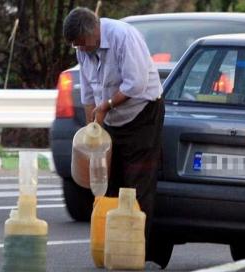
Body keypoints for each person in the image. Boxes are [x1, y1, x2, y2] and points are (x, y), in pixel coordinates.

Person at [63, 7, 165, 261]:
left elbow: (135, 84)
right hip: (112, 118)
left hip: (142, 113)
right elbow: (88, 91)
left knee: (137, 185)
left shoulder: (122, 37)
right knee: (111, 183)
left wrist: (106, 105)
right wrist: (92, 124)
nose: (81, 49)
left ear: (94, 31)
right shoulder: (83, 48)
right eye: (76, 46)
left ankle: (139, 253)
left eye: (82, 44)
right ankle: (114, 248)